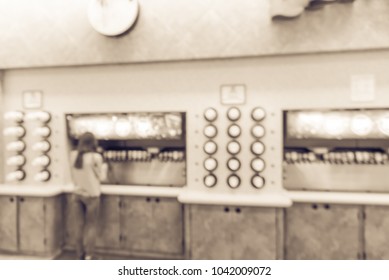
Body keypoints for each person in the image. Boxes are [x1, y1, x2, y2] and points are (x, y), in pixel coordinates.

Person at [70, 132, 105, 260]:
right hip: (92, 195)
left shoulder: (73, 155)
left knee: (78, 226)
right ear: (93, 143)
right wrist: (105, 167)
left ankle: (79, 255)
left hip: (77, 194)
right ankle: (89, 256)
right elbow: (101, 177)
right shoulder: (96, 157)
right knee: (91, 226)